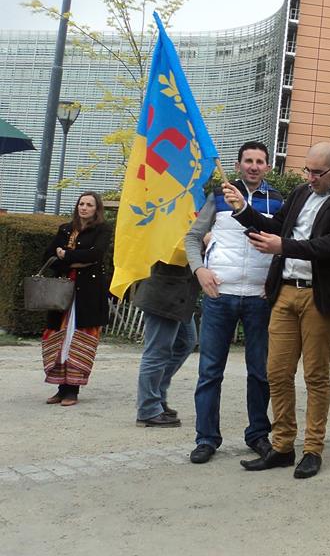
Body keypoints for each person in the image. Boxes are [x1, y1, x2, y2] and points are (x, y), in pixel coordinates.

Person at [225, 142, 330, 479]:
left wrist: (283, 246)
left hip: (320, 296)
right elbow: (276, 226)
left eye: (317, 173)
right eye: (307, 171)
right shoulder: (301, 193)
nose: (310, 178)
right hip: (285, 291)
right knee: (277, 372)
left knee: (315, 375)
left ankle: (313, 449)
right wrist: (243, 210)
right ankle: (283, 446)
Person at [184, 141, 281, 462]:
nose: (254, 166)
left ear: (268, 167)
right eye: (248, 161)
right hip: (219, 295)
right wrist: (199, 270)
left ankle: (258, 434)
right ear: (238, 165)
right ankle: (206, 438)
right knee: (210, 371)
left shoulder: (277, 200)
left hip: (259, 299)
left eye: (260, 161)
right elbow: (193, 236)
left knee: (260, 373)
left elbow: (286, 243)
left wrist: (274, 282)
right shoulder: (218, 196)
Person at [40, 191, 112, 407]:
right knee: (59, 337)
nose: (84, 208)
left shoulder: (102, 229)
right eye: (81, 204)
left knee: (78, 337)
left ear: (96, 209)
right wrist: (73, 262)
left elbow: (95, 255)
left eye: (89, 204)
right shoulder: (65, 229)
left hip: (87, 293)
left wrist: (66, 255)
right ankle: (60, 388)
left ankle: (72, 390)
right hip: (62, 292)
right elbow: (48, 256)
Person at [134, 262, 200, 427]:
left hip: (180, 294)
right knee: (157, 352)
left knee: (186, 342)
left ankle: (157, 396)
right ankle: (148, 410)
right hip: (163, 293)